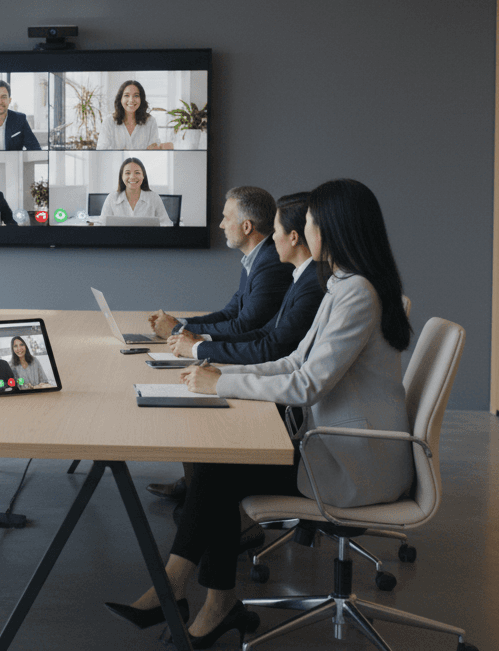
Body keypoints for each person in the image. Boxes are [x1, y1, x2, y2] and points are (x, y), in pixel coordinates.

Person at [105, 179, 416, 647]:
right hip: (337, 444)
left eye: (308, 222)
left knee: (219, 467)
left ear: (329, 229)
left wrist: (223, 381)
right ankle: (201, 597)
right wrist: (217, 371)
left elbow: (308, 383)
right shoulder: (344, 285)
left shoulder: (355, 294)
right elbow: (293, 362)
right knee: (219, 463)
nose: (296, 231)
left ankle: (192, 593)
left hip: (353, 464)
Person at [147, 192, 324, 504]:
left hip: (290, 405)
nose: (219, 224)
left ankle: (200, 495)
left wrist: (195, 345)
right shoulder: (285, 270)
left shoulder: (276, 265)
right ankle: (197, 491)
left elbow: (259, 338)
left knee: (211, 450)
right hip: (281, 382)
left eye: (226, 217)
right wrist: (186, 331)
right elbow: (239, 318)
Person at [149, 186, 291, 338]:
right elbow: (230, 314)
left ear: (247, 227)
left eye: (226, 218)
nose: (221, 225)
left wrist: (177, 330)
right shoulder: (257, 258)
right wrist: (179, 323)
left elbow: (243, 327)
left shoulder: (271, 264)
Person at [98, 157, 175, 226]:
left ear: (143, 176)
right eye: (127, 173)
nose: (132, 177)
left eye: (137, 173)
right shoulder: (112, 198)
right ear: (122, 176)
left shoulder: (154, 198)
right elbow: (101, 225)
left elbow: (166, 224)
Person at [97, 80, 173, 150]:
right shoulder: (109, 121)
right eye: (126, 95)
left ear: (141, 99)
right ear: (120, 99)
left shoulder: (150, 121)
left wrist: (159, 147)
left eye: (136, 96)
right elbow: (101, 149)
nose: (131, 100)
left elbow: (154, 148)